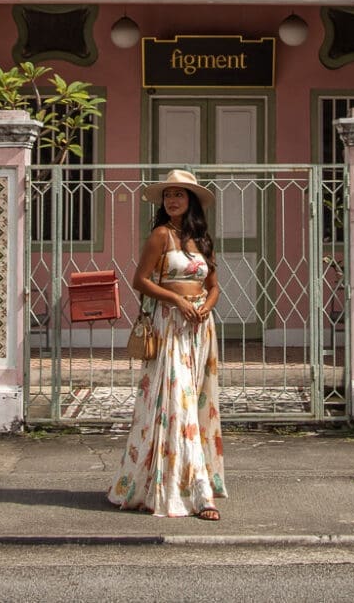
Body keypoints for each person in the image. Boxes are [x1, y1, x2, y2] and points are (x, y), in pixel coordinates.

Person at [107, 169, 226, 519]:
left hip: (199, 328)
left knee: (197, 401)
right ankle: (195, 493)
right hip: (170, 325)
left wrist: (205, 306)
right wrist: (177, 301)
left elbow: (215, 286)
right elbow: (140, 280)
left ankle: (194, 480)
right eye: (168, 194)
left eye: (179, 194)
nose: (172, 200)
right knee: (177, 404)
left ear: (191, 201)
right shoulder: (160, 235)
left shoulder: (202, 239)